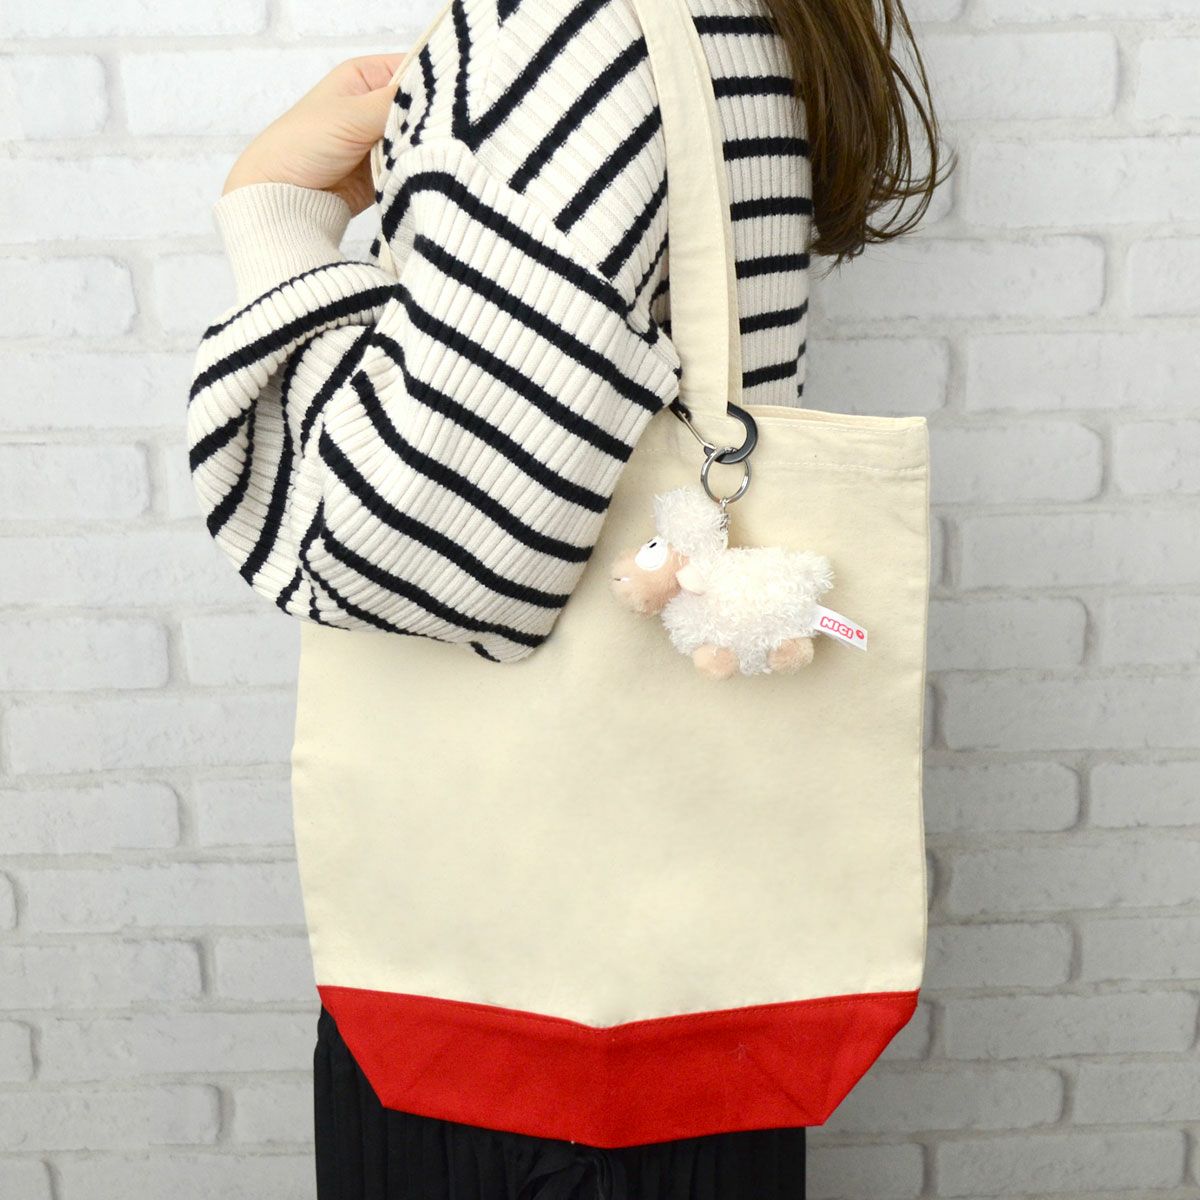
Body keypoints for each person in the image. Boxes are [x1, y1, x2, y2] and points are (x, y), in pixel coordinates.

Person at [188, 0, 944, 1196]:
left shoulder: (560, 33)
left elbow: (399, 550)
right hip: (682, 974)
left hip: (519, 1047)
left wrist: (273, 210)